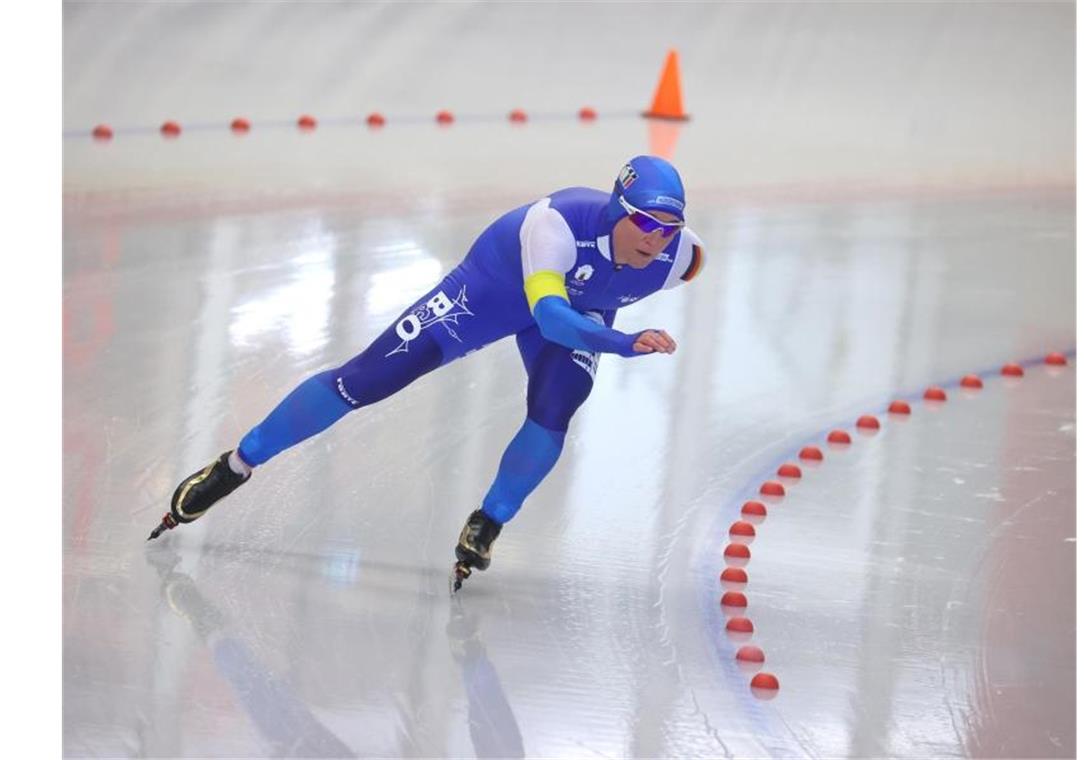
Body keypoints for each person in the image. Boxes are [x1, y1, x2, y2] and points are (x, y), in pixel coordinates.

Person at [147, 155, 707, 591]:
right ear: (617, 208)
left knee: (556, 407)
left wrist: (607, 326)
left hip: (579, 314)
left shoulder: (683, 256)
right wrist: (621, 342)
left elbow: (590, 308)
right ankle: (236, 464)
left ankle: (488, 522)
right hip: (495, 294)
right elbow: (551, 318)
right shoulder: (555, 226)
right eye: (643, 223)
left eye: (668, 228)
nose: (655, 239)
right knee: (366, 380)